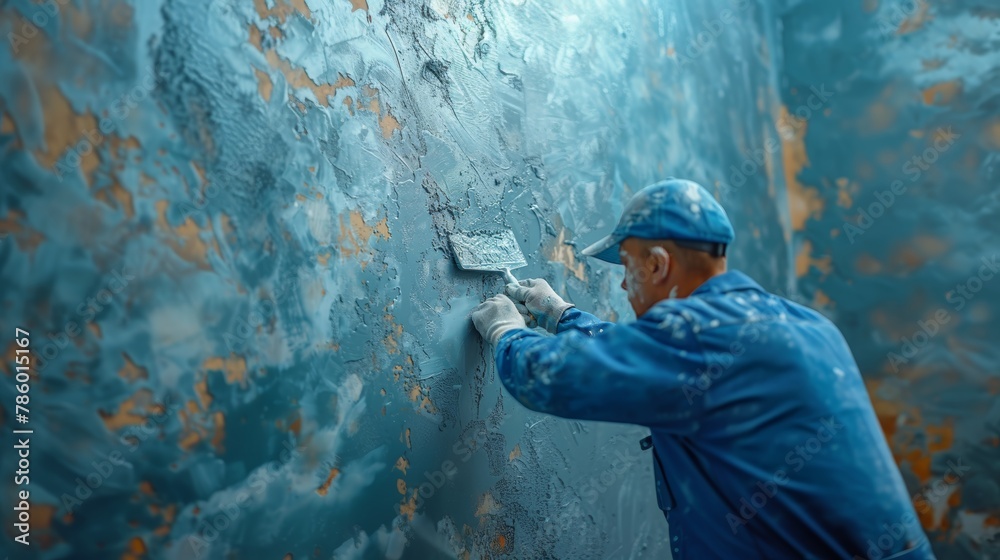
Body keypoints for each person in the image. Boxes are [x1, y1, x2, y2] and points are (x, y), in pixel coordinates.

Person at [470, 178, 935, 559]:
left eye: (627, 270)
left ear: (657, 264)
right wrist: (560, 313)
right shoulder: (801, 325)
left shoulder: (698, 338)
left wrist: (507, 332)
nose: (629, 290)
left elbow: (549, 378)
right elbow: (660, 361)